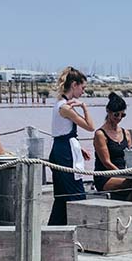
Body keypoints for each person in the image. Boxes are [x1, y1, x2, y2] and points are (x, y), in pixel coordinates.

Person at [48, 66, 94, 226]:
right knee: (76, 194)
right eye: (82, 88)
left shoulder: (59, 104)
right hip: (65, 153)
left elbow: (60, 132)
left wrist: (79, 148)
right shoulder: (66, 107)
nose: (83, 92)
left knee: (61, 197)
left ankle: (54, 229)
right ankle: (81, 231)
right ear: (74, 85)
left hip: (60, 149)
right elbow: (90, 126)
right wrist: (84, 107)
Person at [93, 92, 132, 193]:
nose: (119, 118)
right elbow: (106, 162)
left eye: (122, 115)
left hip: (123, 173)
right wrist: (123, 174)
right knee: (131, 183)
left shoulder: (126, 133)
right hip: (105, 176)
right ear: (108, 111)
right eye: (116, 115)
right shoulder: (100, 134)